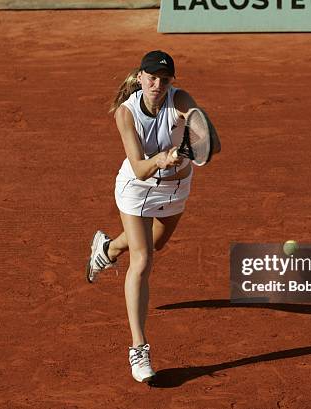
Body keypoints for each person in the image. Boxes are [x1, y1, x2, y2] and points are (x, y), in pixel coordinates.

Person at [85, 50, 221, 383]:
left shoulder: (180, 100)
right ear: (140, 77)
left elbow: (213, 145)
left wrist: (194, 142)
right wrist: (163, 158)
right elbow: (141, 168)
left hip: (177, 189)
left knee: (154, 245)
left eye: (164, 79)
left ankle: (107, 249)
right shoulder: (126, 113)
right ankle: (138, 347)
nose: (157, 84)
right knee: (143, 261)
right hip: (137, 190)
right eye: (151, 77)